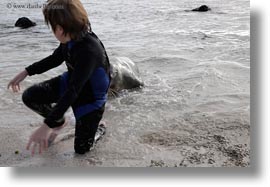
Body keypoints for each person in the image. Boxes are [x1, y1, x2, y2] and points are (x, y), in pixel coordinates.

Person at [7, 0, 110, 155]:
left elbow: (73, 92)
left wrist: (45, 126)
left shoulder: (89, 50)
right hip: (72, 82)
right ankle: (59, 121)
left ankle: (99, 129)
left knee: (82, 150)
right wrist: (26, 72)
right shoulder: (71, 37)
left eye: (52, 27)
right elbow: (54, 59)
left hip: (91, 99)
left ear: (60, 29)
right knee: (30, 96)